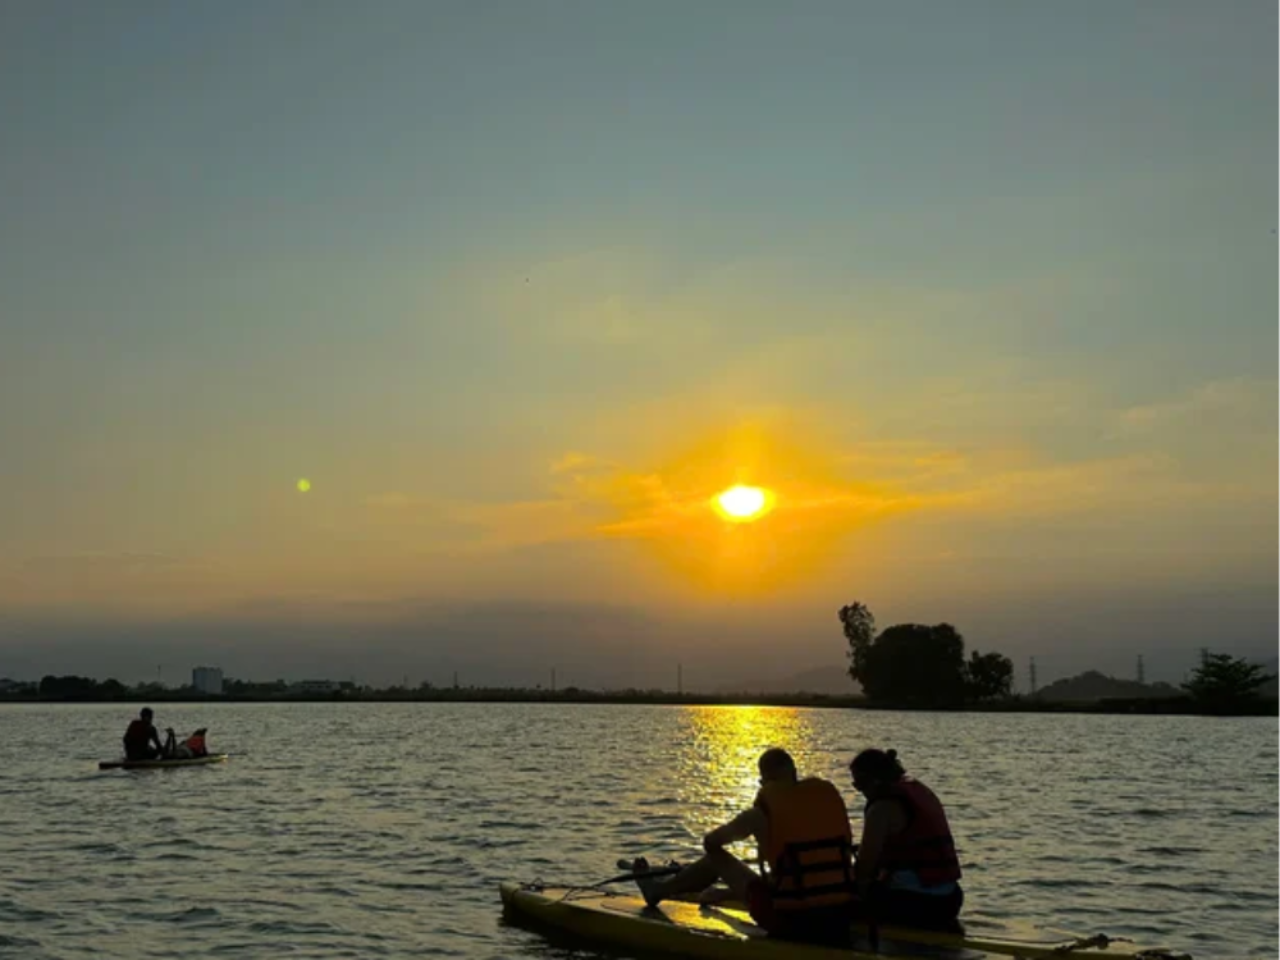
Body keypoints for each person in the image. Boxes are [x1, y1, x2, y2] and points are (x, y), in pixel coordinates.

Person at [626, 748, 856, 945]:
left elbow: (711, 843)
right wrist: (729, 891)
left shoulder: (758, 814)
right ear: (795, 774)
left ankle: (658, 891)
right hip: (840, 917)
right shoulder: (825, 800)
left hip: (790, 922)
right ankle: (694, 888)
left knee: (715, 858)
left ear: (763, 781)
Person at [848, 747, 964, 931]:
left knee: (843, 903)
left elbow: (865, 867)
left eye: (858, 785)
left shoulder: (881, 808)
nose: (859, 791)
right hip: (951, 898)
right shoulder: (918, 790)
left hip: (916, 902)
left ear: (872, 780)